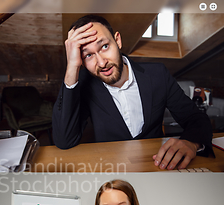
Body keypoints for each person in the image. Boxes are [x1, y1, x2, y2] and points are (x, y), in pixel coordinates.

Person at [53, 15, 213, 170]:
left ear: (118, 40)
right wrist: (72, 66)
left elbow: (196, 118)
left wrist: (192, 142)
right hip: (111, 170)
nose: (102, 63)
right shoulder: (84, 82)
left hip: (157, 167)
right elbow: (64, 140)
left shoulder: (158, 74)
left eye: (104, 46)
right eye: (88, 55)